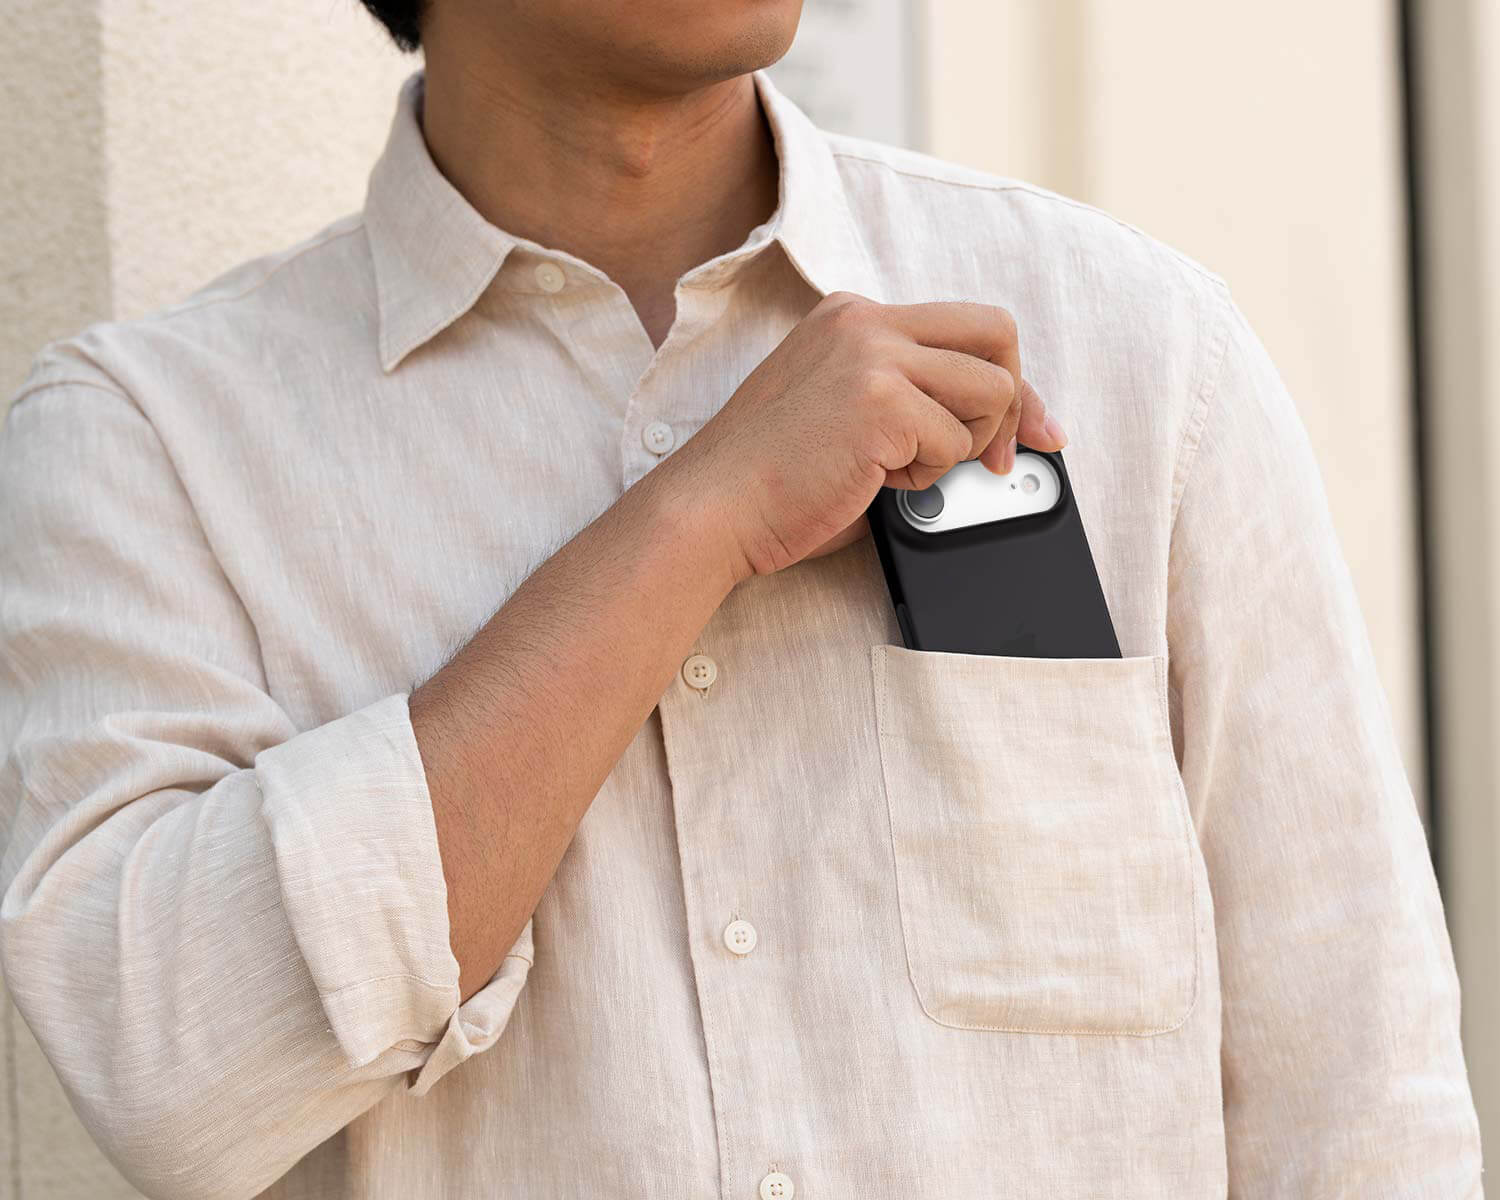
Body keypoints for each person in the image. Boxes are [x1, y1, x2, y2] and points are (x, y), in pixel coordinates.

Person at [0, 0, 1482, 1195]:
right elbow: (173, 1082)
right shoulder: (150, 446)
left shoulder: (1140, 351)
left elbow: (1359, 1099)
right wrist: (693, 523)